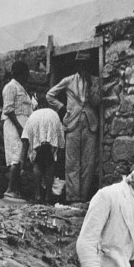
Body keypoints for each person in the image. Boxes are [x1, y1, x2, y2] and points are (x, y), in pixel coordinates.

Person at [46, 51, 101, 203]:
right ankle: (72, 197)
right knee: (72, 162)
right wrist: (61, 108)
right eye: (80, 64)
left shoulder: (95, 81)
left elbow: (96, 102)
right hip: (72, 124)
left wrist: (91, 84)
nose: (83, 67)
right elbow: (50, 95)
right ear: (77, 65)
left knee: (88, 163)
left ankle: (83, 197)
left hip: (90, 124)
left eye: (85, 64)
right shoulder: (68, 80)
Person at [19, 94, 65, 204]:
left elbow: (25, 139)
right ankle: (48, 196)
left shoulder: (33, 115)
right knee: (50, 164)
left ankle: (38, 195)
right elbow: (61, 137)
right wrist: (59, 154)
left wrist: (22, 164)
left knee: (37, 164)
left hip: (37, 144)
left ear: (37, 105)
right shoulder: (54, 114)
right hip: (50, 141)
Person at [1, 61, 33, 200]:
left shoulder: (21, 88)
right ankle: (10, 189)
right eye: (25, 73)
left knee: (21, 157)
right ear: (20, 73)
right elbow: (8, 109)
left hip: (22, 125)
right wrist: (19, 128)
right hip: (14, 125)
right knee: (15, 156)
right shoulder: (11, 87)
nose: (27, 76)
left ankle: (17, 190)